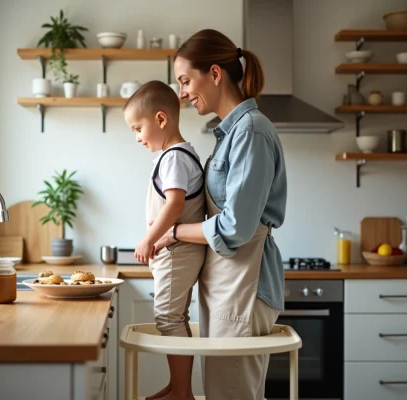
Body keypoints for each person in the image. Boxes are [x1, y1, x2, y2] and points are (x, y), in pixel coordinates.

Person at [152, 29, 287, 400]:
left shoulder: (251, 132)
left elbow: (236, 227)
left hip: (244, 281)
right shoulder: (230, 134)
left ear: (214, 73)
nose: (181, 92)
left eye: (185, 80)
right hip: (229, 283)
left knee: (231, 394)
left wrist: (175, 232)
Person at [123, 80, 207, 400]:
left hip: (178, 252)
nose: (137, 138)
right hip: (174, 251)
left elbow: (175, 204)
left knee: (168, 319)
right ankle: (177, 387)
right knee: (175, 319)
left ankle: (183, 393)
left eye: (138, 128)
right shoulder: (176, 155)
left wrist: (148, 240)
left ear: (161, 119)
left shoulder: (173, 157)